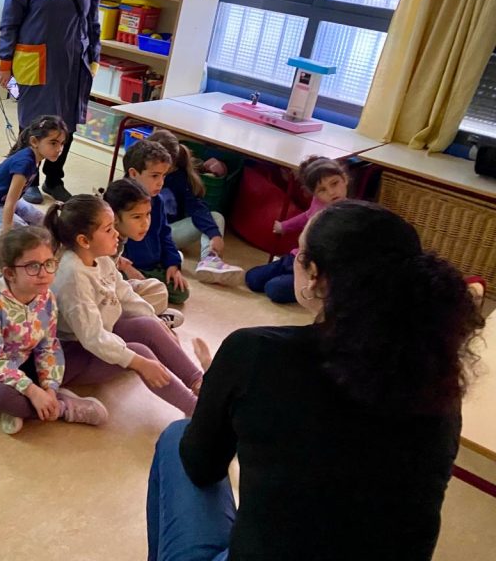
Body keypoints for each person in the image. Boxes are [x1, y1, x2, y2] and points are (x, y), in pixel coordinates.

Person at [146, 201, 485, 560]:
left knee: (177, 436)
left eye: (298, 253)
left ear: (314, 276)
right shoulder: (438, 379)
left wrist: (219, 390)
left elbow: (201, 465)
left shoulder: (255, 353)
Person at [47, 194, 204, 417]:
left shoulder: (100, 257)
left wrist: (159, 325)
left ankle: (200, 384)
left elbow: (125, 294)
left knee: (149, 326)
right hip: (70, 356)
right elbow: (93, 338)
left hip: (97, 334)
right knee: (140, 352)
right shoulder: (73, 276)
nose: (116, 234)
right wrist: (139, 363)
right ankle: (196, 410)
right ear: (84, 241)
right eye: (108, 229)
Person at [0, 0, 102, 204]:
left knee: (66, 124)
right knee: (34, 123)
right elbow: (10, 21)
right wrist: (5, 64)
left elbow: (93, 21)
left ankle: (54, 180)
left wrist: (94, 58)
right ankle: (27, 178)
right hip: (37, 61)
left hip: (74, 63)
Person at [0, 225, 109, 435]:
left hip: (23, 362)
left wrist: (50, 388)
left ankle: (44, 402)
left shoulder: (46, 297)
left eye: (49, 263)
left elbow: (48, 346)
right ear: (10, 273)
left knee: (93, 357)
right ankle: (62, 408)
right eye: (33, 266)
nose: (44, 273)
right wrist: (32, 390)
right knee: (3, 398)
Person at [147, 129, 244, 287]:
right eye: (154, 173)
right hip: (142, 236)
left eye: (162, 172)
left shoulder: (180, 178)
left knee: (215, 217)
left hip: (166, 234)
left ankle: (210, 260)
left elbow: (197, 208)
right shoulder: (138, 176)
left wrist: (214, 234)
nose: (159, 178)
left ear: (171, 164)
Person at [245, 156, 348, 304]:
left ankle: (305, 288)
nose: (331, 192)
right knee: (252, 278)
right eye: (322, 190)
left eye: (335, 183)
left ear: (344, 179)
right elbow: (306, 215)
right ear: (314, 194)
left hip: (314, 271)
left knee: (273, 289)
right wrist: (285, 226)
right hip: (296, 258)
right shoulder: (318, 202)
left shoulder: (348, 213)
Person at [0, 114, 69, 246]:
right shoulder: (24, 163)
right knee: (23, 235)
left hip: (4, 200)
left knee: (42, 221)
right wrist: (7, 235)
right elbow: (11, 201)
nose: (59, 149)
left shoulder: (36, 157)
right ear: (34, 142)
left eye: (62, 143)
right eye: (53, 143)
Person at [102, 178, 183, 329]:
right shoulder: (105, 243)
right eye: (137, 217)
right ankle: (145, 323)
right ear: (115, 218)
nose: (145, 223)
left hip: (113, 290)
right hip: (101, 302)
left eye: (148, 214)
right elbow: (104, 293)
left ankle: (147, 319)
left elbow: (117, 284)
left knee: (158, 289)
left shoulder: (119, 237)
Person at [122, 140, 190, 306]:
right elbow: (108, 246)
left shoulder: (157, 201)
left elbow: (164, 234)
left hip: (152, 265)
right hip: (126, 267)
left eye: (163, 176)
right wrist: (125, 267)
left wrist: (173, 264)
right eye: (154, 176)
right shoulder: (119, 200)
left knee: (181, 293)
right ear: (133, 173)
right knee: (124, 291)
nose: (161, 182)